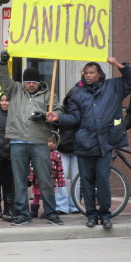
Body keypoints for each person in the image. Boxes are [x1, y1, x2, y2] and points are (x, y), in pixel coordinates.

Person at [47, 58, 131, 229]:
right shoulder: (77, 94)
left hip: (105, 143)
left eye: (91, 73)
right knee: (87, 181)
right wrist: (59, 118)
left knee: (102, 180)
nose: (88, 76)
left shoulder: (113, 86)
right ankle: (91, 215)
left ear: (99, 74)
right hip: (85, 144)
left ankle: (105, 214)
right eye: (85, 73)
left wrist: (119, 66)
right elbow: (74, 119)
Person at [0, 50, 64, 226]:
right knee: (19, 180)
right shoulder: (15, 90)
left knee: (45, 179)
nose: (30, 85)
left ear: (38, 82)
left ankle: (51, 212)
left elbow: (58, 111)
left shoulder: (49, 95)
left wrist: (46, 115)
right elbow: (4, 80)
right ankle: (21, 214)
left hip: (40, 141)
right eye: (27, 82)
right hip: (18, 140)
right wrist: (3, 63)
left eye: (33, 82)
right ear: (23, 82)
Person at [54, 86, 81, 215]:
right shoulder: (61, 111)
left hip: (78, 148)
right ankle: (61, 205)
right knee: (61, 176)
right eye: (70, 99)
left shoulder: (83, 111)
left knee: (77, 178)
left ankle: (75, 205)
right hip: (63, 147)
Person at [28, 133, 65, 218]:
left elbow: (60, 169)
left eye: (53, 142)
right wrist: (31, 178)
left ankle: (47, 211)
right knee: (36, 195)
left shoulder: (57, 154)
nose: (51, 144)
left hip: (51, 180)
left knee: (49, 195)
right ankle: (34, 211)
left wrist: (60, 180)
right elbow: (33, 166)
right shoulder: (38, 153)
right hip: (38, 179)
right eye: (49, 141)